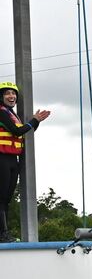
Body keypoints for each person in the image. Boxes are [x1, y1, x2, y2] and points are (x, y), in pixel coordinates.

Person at [0, 81, 51, 242]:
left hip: (12, 160)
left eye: (13, 93)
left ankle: (4, 233)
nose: (11, 96)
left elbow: (23, 132)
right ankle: (3, 233)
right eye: (7, 93)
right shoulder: (1, 112)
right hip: (1, 158)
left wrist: (35, 122)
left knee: (6, 199)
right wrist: (33, 121)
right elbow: (16, 131)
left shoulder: (12, 114)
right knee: (1, 198)